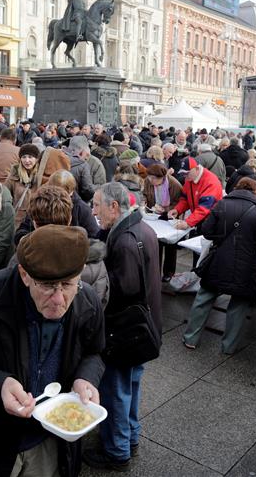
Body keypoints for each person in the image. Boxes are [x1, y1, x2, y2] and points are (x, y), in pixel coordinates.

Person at [0, 225, 104, 477]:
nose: (59, 299)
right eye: (47, 286)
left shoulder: (87, 301)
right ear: (24, 275)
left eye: (68, 284)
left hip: (49, 441)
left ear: (80, 274)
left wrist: (86, 377)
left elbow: (95, 353)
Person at [84, 183, 162, 471]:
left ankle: (117, 451)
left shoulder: (126, 240)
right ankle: (129, 437)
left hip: (126, 331)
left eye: (97, 205)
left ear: (113, 207)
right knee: (131, 384)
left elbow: (123, 288)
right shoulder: (141, 229)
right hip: (144, 328)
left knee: (116, 390)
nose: (94, 211)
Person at [182, 177, 256, 352]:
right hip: (245, 266)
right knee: (238, 306)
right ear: (255, 192)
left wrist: (222, 239)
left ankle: (191, 338)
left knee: (204, 298)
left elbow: (207, 232)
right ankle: (228, 346)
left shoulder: (222, 204)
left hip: (219, 260)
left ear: (237, 187)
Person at [10, 185, 110, 307]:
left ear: (34, 222)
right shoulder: (96, 263)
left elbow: (14, 300)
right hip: (79, 323)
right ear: (70, 219)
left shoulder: (21, 259)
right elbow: (99, 303)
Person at [142, 163, 183, 281]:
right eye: (150, 177)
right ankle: (155, 271)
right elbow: (144, 194)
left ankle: (169, 273)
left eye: (154, 178)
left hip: (171, 216)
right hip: (154, 215)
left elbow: (179, 202)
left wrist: (167, 209)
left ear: (163, 177)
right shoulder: (148, 181)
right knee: (156, 243)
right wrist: (144, 201)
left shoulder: (174, 184)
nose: (151, 180)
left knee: (170, 245)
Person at [167, 162, 223, 230]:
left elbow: (204, 208)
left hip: (210, 222)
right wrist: (177, 210)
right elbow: (185, 199)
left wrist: (188, 222)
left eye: (187, 173)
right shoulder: (189, 179)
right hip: (198, 219)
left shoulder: (211, 182)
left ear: (196, 169)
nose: (185, 176)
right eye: (183, 174)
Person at [46, 169, 100, 238]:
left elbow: (94, 236)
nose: (58, 197)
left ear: (71, 191)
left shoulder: (82, 209)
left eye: (63, 194)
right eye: (55, 192)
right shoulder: (44, 203)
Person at [5, 143, 42, 228]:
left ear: (36, 159)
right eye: (24, 157)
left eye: (30, 157)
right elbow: (5, 196)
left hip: (36, 221)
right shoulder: (14, 175)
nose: (27, 160)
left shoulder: (41, 176)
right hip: (17, 222)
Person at [66, 136, 97, 202]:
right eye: (87, 155)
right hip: (74, 203)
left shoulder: (58, 157)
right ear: (82, 151)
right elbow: (87, 190)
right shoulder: (83, 166)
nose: (86, 158)